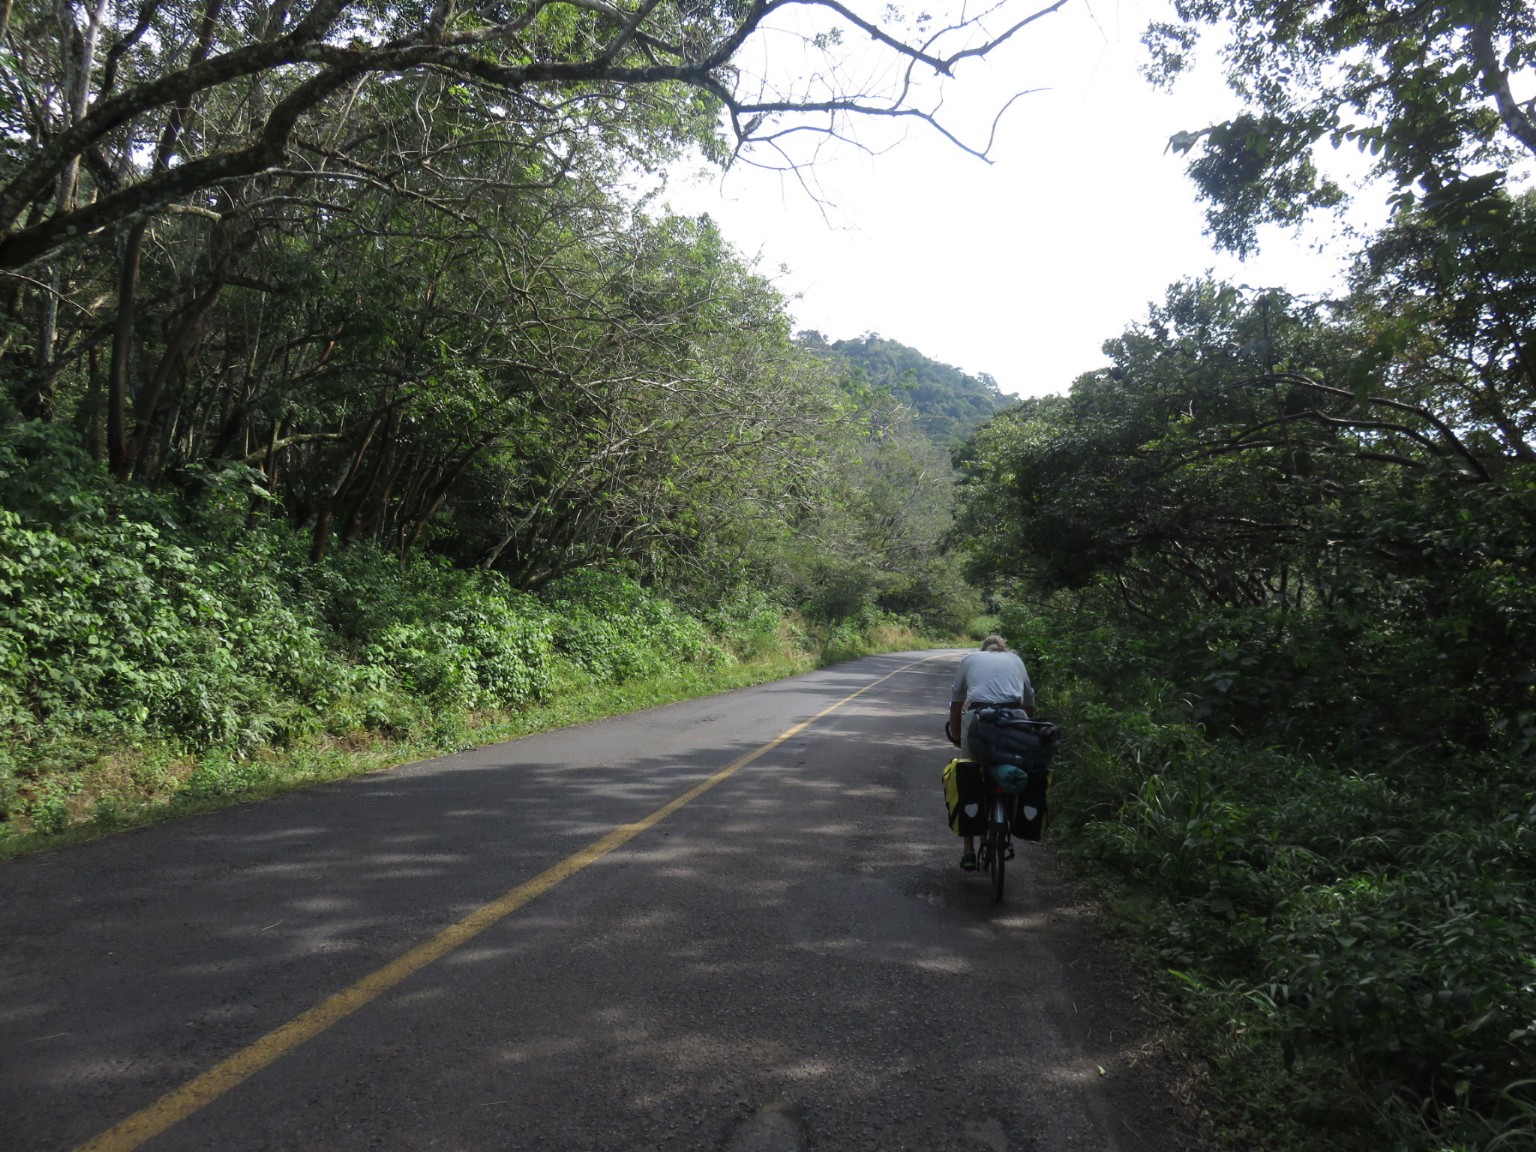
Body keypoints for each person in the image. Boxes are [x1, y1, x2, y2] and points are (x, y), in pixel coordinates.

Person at [947, 634, 1035, 871]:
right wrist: (1025, 731)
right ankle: (1011, 812)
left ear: (983, 649)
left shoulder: (970, 658)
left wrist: (956, 736)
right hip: (1015, 720)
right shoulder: (1016, 660)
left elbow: (956, 704)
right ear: (1003, 649)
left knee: (968, 772)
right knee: (1016, 766)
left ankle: (968, 850)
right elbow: (1029, 704)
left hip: (978, 718)